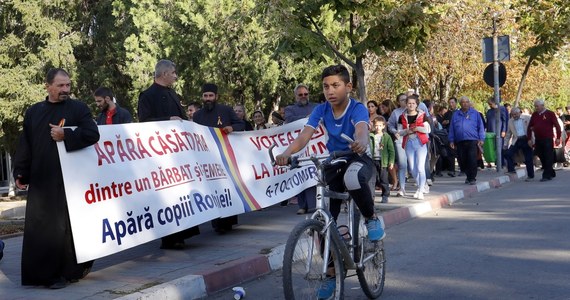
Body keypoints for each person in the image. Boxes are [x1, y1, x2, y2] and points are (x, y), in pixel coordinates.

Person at [275, 64, 385, 299]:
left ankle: (372, 218)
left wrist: (361, 142)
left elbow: (362, 130)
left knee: (353, 177)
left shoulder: (356, 108)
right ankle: (332, 274)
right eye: (325, 87)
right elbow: (305, 135)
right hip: (333, 161)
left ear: (348, 87)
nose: (330, 91)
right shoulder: (322, 110)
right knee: (324, 221)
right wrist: (287, 154)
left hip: (357, 158)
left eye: (335, 85)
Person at [13, 68, 100, 289]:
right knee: (42, 229)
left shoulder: (78, 108)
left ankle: (65, 273)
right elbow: (26, 144)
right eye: (60, 85)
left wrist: (66, 135)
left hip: (70, 180)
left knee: (66, 229)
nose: (65, 89)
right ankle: (40, 276)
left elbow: (92, 134)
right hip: (42, 180)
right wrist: (20, 172)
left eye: (68, 85)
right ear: (48, 86)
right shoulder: (34, 112)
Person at [138, 59, 200, 249]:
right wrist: (167, 120)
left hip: (178, 153)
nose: (175, 76)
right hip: (160, 155)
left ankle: (182, 234)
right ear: (164, 74)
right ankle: (170, 238)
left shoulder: (172, 93)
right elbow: (144, 121)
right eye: (173, 73)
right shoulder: (147, 95)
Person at [193, 83, 245, 233]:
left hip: (225, 156)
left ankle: (227, 222)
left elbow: (240, 124)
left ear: (216, 97)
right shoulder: (197, 115)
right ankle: (218, 223)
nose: (208, 98)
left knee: (227, 188)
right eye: (205, 96)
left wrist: (231, 128)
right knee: (214, 189)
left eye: (210, 96)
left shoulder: (226, 110)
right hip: (207, 159)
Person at [284, 84, 318, 214]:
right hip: (298, 148)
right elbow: (289, 120)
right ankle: (302, 206)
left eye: (306, 94)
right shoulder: (290, 109)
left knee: (313, 175)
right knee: (300, 175)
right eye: (300, 94)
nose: (303, 96)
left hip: (314, 146)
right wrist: (308, 118)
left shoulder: (316, 107)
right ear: (295, 96)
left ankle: (315, 205)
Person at [398, 95, 431, 199]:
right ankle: (421, 185)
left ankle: (421, 190)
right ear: (406, 104)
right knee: (412, 168)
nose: (411, 105)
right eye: (409, 103)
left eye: (413, 103)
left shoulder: (422, 115)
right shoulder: (402, 116)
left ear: (417, 104)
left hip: (420, 142)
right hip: (408, 142)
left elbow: (427, 130)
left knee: (420, 167)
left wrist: (417, 128)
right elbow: (400, 131)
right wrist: (406, 131)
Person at [448, 96, 485, 185]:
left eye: (466, 102)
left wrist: (481, 138)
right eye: (463, 102)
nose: (465, 104)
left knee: (472, 159)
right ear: (460, 104)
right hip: (460, 141)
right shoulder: (456, 114)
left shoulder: (475, 113)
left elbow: (481, 127)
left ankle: (472, 178)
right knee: (462, 160)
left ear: (469, 103)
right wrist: (451, 140)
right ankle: (468, 176)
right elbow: (452, 128)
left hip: (472, 140)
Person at [527, 99, 561, 182]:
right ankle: (551, 172)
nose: (536, 108)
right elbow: (529, 127)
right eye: (535, 106)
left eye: (537, 106)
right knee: (541, 156)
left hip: (548, 138)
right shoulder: (534, 115)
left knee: (548, 156)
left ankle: (546, 175)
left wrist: (558, 138)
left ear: (542, 105)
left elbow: (557, 126)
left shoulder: (550, 113)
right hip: (538, 138)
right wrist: (529, 138)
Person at [504, 108, 534, 181]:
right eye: (513, 114)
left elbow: (532, 130)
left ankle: (530, 175)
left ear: (519, 113)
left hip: (526, 139)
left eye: (516, 114)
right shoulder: (510, 121)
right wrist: (505, 144)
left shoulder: (527, 118)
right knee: (508, 153)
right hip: (516, 140)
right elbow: (508, 133)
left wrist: (533, 140)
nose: (514, 116)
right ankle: (511, 170)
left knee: (528, 158)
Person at [370, 116, 395, 203]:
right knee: (372, 180)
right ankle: (371, 197)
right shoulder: (370, 135)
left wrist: (391, 162)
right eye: (376, 125)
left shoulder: (386, 137)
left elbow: (391, 150)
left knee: (383, 179)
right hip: (373, 161)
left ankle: (385, 195)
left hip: (383, 161)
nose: (378, 127)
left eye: (380, 125)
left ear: (384, 126)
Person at [388, 93, 408, 196]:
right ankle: (402, 188)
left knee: (414, 165)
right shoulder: (396, 112)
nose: (404, 101)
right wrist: (394, 131)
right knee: (402, 164)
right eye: (402, 100)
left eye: (406, 99)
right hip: (400, 139)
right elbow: (390, 124)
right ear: (398, 102)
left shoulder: (414, 111)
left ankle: (422, 185)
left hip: (413, 139)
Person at [485, 97, 508, 168]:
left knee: (500, 147)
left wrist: (504, 130)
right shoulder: (489, 111)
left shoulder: (502, 109)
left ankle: (502, 163)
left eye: (491, 104)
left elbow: (505, 120)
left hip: (499, 132)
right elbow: (487, 122)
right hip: (491, 132)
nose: (490, 105)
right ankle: (496, 162)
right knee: (493, 148)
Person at [442, 97, 459, 177]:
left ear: (456, 103)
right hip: (450, 134)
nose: (451, 104)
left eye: (452, 102)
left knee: (460, 153)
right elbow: (442, 123)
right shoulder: (447, 114)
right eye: (450, 103)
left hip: (459, 134)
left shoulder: (459, 112)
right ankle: (451, 170)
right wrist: (445, 122)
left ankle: (463, 169)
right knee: (451, 153)